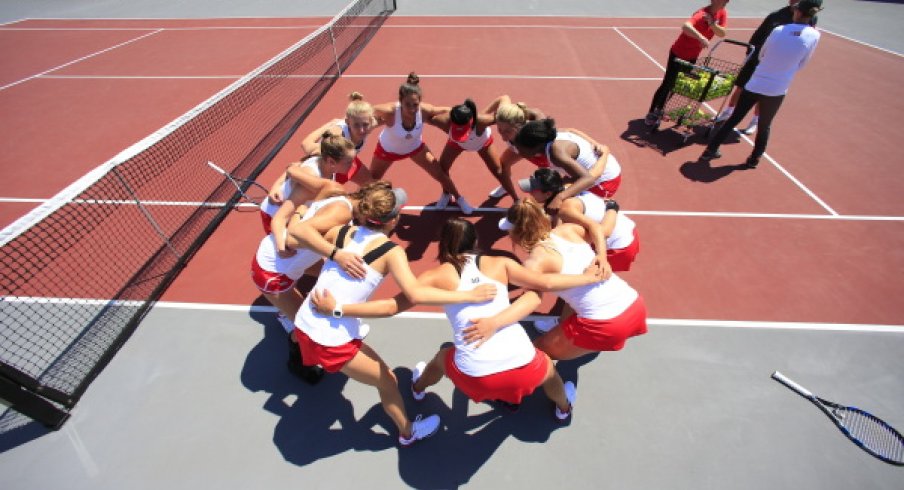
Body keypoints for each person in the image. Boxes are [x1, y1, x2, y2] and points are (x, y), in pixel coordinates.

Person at [309, 218, 609, 421]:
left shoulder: (432, 277)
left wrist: (338, 309)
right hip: (524, 368)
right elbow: (544, 285)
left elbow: (389, 306)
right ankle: (563, 407)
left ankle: (418, 388)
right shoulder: (502, 264)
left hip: (474, 374)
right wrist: (584, 276)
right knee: (549, 372)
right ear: (475, 240)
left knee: (441, 358)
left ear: (443, 244)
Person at [292, 184, 498, 446]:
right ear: (394, 219)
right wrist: (469, 295)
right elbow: (410, 297)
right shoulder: (392, 252)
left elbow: (297, 231)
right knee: (388, 381)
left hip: (303, 323)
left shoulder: (340, 233)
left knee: (351, 343)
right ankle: (407, 432)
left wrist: (335, 253)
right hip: (329, 338)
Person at [499, 198, 648, 360]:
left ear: (516, 233)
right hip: (634, 304)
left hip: (605, 323)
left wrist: (494, 322)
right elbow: (601, 229)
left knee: (537, 355)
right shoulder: (568, 230)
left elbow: (535, 296)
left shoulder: (534, 263)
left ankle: (562, 386)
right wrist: (602, 254)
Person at [701, 0, 822, 168]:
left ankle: (710, 150)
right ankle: (754, 159)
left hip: (757, 82)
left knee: (734, 118)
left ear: (799, 12)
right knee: (765, 126)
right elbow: (803, 63)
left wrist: (768, 67)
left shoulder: (778, 30)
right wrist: (785, 70)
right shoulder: (815, 35)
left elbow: (762, 54)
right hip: (778, 89)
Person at [371, 73, 474, 214]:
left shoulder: (424, 111)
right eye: (408, 104)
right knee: (371, 182)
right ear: (400, 101)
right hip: (387, 151)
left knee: (440, 174)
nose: (412, 109)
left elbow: (446, 110)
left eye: (415, 104)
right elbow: (366, 110)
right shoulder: (390, 112)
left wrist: (467, 115)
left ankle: (459, 198)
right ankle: (364, 209)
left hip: (415, 148)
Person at [715, 1, 818, 135]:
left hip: (774, 64)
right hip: (757, 57)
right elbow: (758, 34)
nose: (792, 2)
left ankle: (754, 121)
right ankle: (727, 112)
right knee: (741, 86)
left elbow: (805, 45)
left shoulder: (809, 21)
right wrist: (750, 53)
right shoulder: (776, 15)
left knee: (763, 94)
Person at [519, 167, 640, 274]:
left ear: (548, 193)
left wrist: (612, 209)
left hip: (620, 245)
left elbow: (603, 231)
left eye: (533, 190)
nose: (529, 193)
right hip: (618, 232)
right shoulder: (566, 189)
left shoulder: (566, 209)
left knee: (591, 281)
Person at [644, 0, 729, 126]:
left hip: (692, 56)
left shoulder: (722, 13)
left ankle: (661, 109)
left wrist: (712, 24)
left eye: (724, 1)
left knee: (677, 85)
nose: (721, 3)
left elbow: (722, 33)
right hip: (678, 53)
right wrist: (701, 37)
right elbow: (685, 26)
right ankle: (652, 112)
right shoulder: (701, 14)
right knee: (667, 84)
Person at [513, 119, 621, 212]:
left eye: (520, 148)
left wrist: (559, 198)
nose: (518, 152)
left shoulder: (556, 153)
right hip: (586, 172)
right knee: (553, 196)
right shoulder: (550, 136)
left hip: (604, 181)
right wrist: (596, 144)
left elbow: (589, 179)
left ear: (535, 147)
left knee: (568, 209)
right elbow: (571, 130)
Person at [259, 133, 358, 234]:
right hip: (274, 214)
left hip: (293, 212)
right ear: (331, 162)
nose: (353, 164)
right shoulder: (311, 176)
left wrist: (276, 186)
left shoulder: (322, 159)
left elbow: (293, 168)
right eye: (348, 162)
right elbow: (282, 217)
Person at [428, 99, 505, 210]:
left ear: (471, 121)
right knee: (442, 168)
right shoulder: (442, 121)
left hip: (481, 143)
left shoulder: (483, 121)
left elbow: (503, 100)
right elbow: (425, 115)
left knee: (498, 170)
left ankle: (506, 188)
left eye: (463, 130)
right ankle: (447, 194)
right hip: (456, 143)